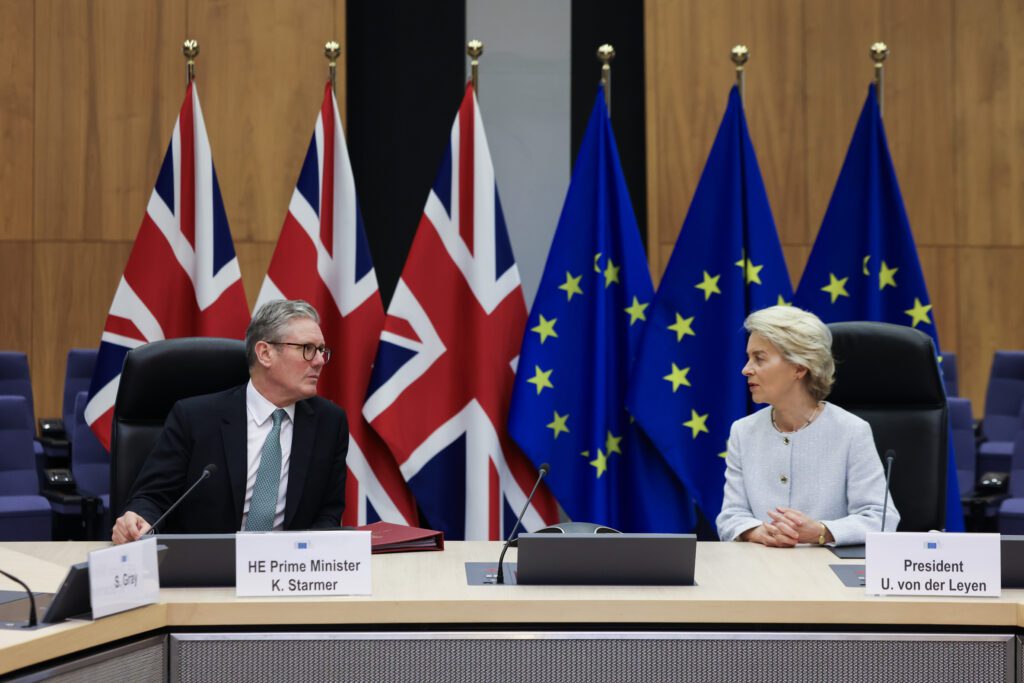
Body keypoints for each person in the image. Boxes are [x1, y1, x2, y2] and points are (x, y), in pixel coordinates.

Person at [112, 299, 347, 544]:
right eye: (308, 349)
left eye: (321, 350)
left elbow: (328, 513)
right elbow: (152, 497)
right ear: (265, 353)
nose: (319, 361)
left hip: (287, 569)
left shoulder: (329, 423)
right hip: (207, 566)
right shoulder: (195, 418)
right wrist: (138, 519)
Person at [716, 305, 899, 547]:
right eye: (749, 358)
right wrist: (758, 532)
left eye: (759, 358)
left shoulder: (851, 431)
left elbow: (881, 518)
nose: (746, 369)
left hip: (827, 574)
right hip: (759, 568)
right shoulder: (743, 431)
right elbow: (730, 516)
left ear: (799, 367)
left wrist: (821, 531)